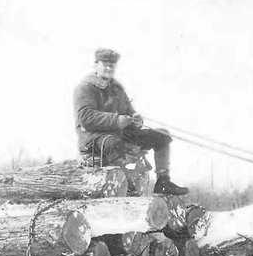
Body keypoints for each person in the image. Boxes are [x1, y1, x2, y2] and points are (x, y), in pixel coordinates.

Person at [73, 48, 189, 196]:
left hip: (119, 134)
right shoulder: (85, 88)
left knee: (162, 136)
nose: (109, 68)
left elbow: (128, 111)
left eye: (112, 65)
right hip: (93, 139)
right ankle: (127, 186)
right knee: (113, 142)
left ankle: (163, 182)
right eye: (105, 64)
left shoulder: (117, 89)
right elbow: (85, 117)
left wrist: (135, 119)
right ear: (96, 65)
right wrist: (116, 121)